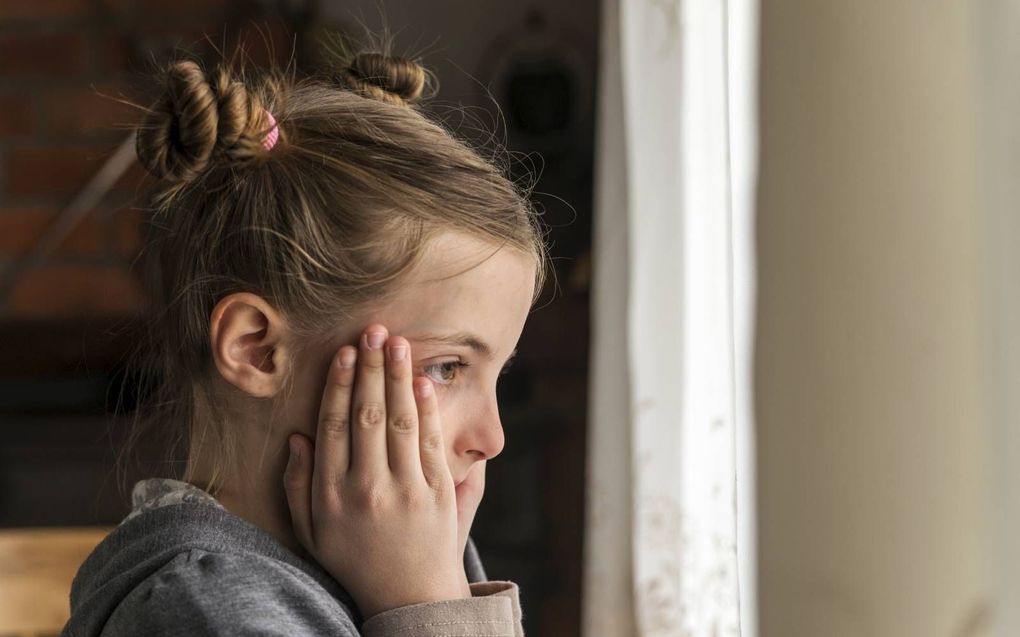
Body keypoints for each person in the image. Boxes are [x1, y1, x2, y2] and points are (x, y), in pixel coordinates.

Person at [61, 39, 550, 637]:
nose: (492, 439)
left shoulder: (405, 554)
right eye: (447, 367)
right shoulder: (208, 610)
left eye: (493, 373)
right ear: (257, 348)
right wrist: (426, 607)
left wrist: (432, 586)